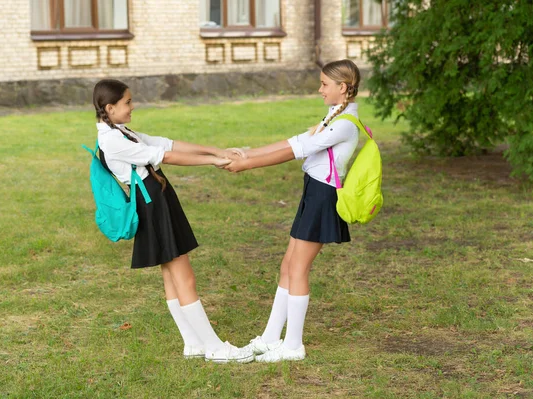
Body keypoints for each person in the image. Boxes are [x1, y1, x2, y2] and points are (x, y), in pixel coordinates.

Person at [92, 79, 253, 363]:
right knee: (183, 275)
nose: (132, 106)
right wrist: (212, 162)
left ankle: (192, 342)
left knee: (170, 272)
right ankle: (214, 347)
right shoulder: (112, 141)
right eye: (128, 102)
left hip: (157, 199)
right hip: (152, 204)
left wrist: (217, 151)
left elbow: (167, 143)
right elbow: (164, 155)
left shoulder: (120, 131)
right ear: (110, 107)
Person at [224, 59, 361, 362]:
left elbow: (296, 151)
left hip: (324, 197)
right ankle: (272, 338)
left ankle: (293, 346)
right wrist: (248, 152)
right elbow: (296, 140)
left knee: (298, 268)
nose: (320, 89)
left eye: (325, 84)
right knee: (288, 264)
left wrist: (247, 164)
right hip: (312, 193)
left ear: (342, 87)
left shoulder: (344, 124)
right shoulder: (333, 116)